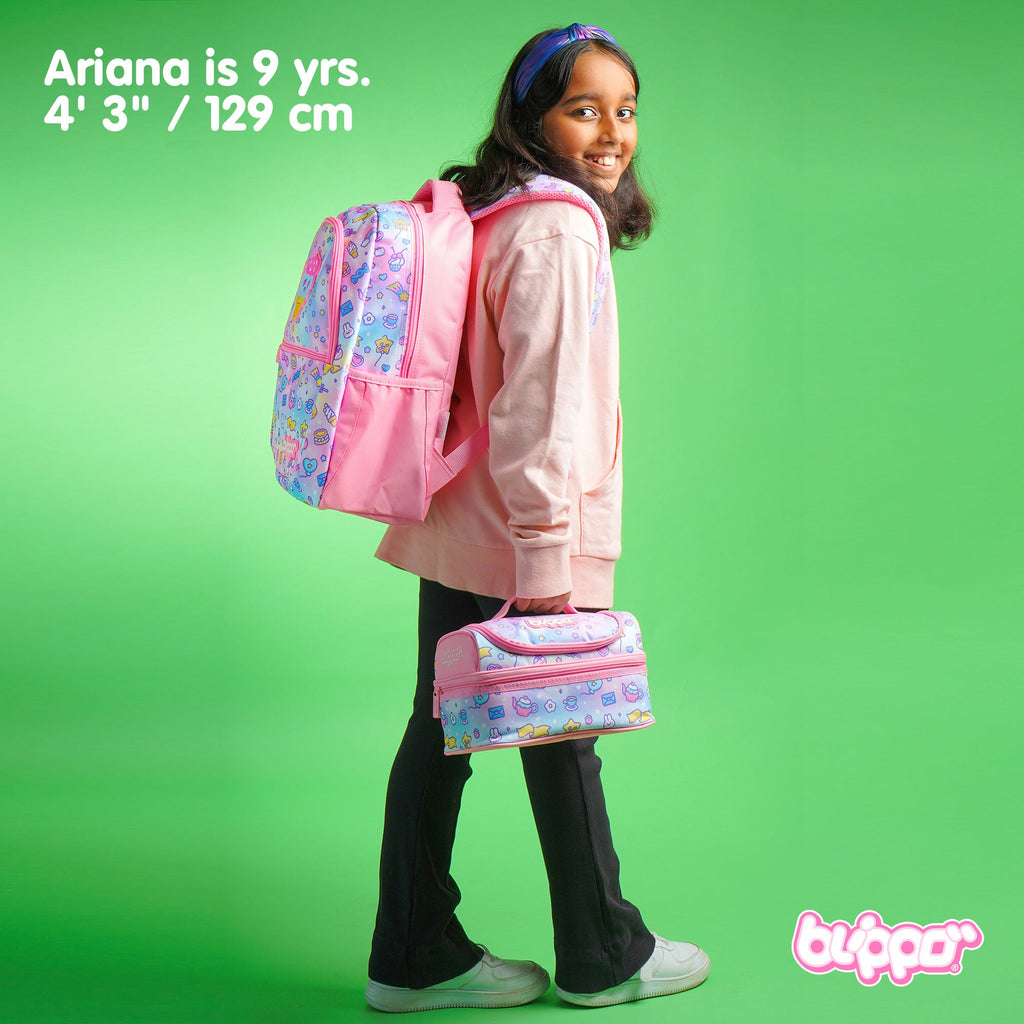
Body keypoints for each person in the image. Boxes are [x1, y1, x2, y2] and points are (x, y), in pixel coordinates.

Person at [365, 24, 710, 1012]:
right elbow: (541, 411)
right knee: (563, 731)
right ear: (532, 117)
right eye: (582, 108)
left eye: (625, 108)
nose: (611, 131)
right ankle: (604, 953)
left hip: (457, 518)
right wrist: (548, 556)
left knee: (443, 728)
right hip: (521, 533)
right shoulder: (558, 228)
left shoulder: (488, 210)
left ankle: (412, 951)